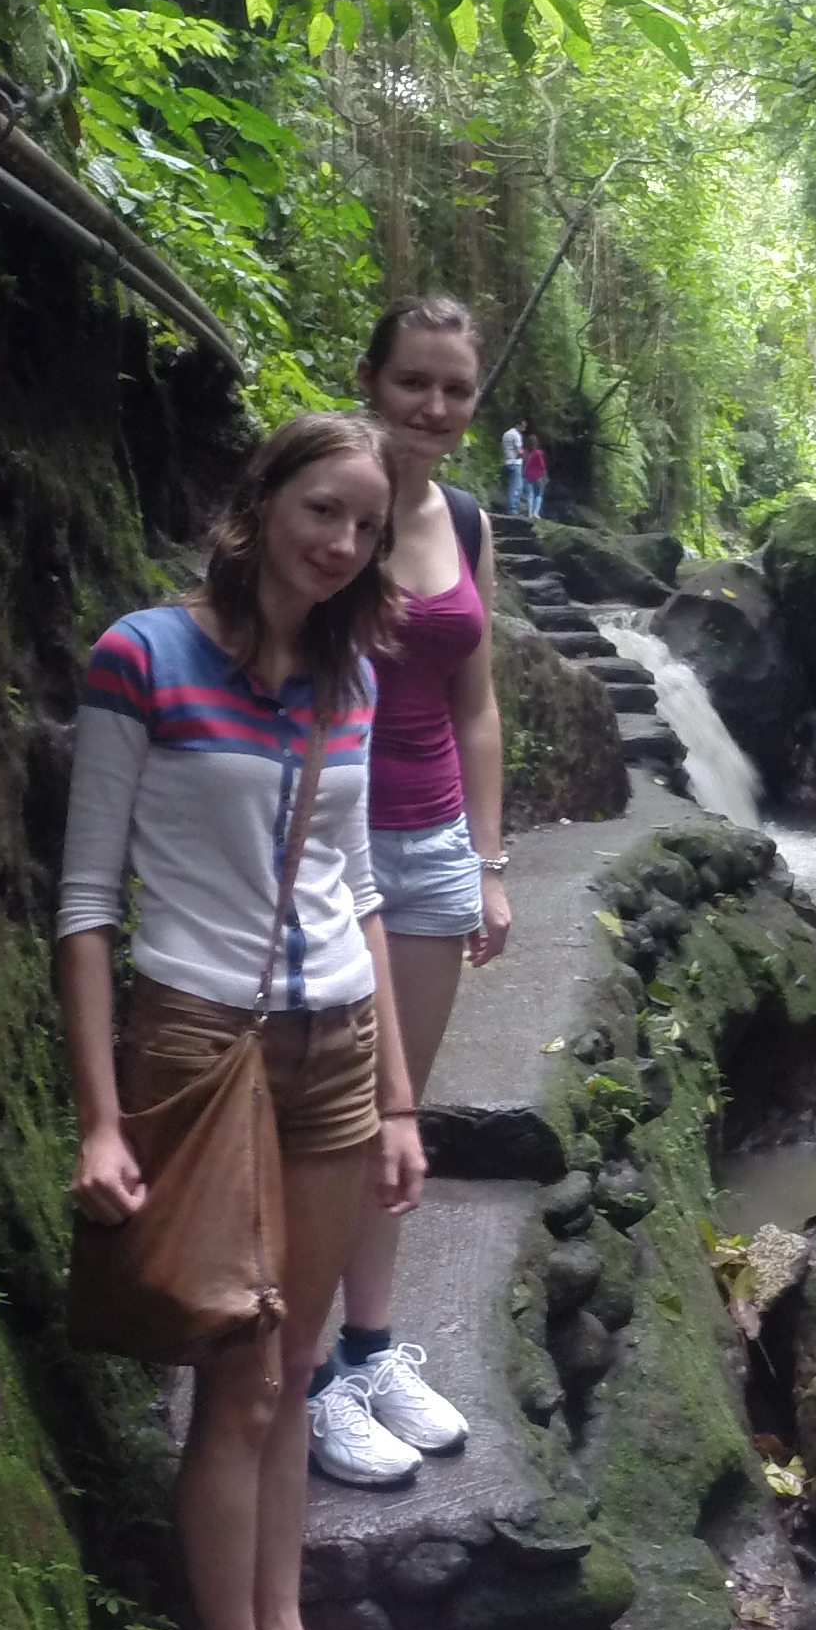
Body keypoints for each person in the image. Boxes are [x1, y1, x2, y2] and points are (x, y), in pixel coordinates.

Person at [54, 413, 428, 1630]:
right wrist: (101, 1118)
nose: (339, 546)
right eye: (321, 511)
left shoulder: (354, 677)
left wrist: (396, 1099)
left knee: (299, 1360)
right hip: (199, 1044)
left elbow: (366, 892)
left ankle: (283, 1628)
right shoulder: (141, 657)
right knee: (242, 1371)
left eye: (366, 529)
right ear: (261, 500)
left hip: (333, 1044)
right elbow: (88, 906)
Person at [305, 299, 508, 1485]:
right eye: (412, 383)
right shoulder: (335, 508)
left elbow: (477, 703)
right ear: (371, 381)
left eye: (454, 389)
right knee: (325, 1117)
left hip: (432, 843)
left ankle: (371, 1352)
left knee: (396, 1118)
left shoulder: (466, 519)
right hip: (329, 842)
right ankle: (316, 1384)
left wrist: (488, 863)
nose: (433, 408)